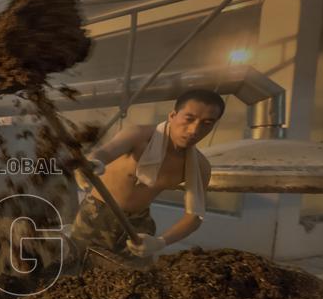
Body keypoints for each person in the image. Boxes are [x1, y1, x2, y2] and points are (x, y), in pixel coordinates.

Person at [71, 89, 221, 264]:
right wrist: (91, 164)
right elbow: (106, 152)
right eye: (189, 119)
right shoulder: (140, 136)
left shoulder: (199, 166)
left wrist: (160, 242)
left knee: (138, 275)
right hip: (97, 215)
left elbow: (194, 216)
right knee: (78, 266)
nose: (194, 130)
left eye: (207, 123)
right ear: (173, 115)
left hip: (138, 223)